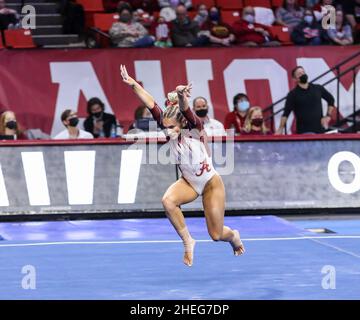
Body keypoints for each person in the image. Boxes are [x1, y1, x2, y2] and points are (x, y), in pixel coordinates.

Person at [120, 64, 245, 266]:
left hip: (210, 182)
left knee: (216, 234)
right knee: (168, 201)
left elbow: (185, 109)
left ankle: (234, 237)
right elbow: (150, 103)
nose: (168, 131)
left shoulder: (194, 127)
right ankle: (188, 241)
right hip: (188, 182)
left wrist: (180, 94)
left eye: (172, 128)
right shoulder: (166, 123)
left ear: (181, 124)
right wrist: (133, 83)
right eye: (165, 127)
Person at [276, 66, 336, 135]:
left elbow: (331, 100)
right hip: (304, 132)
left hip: (320, 131)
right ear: (295, 79)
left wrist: (328, 116)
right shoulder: (292, 94)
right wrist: (280, 129)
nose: (302, 74)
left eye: (303, 72)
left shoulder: (318, 88)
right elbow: (286, 114)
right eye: (299, 74)